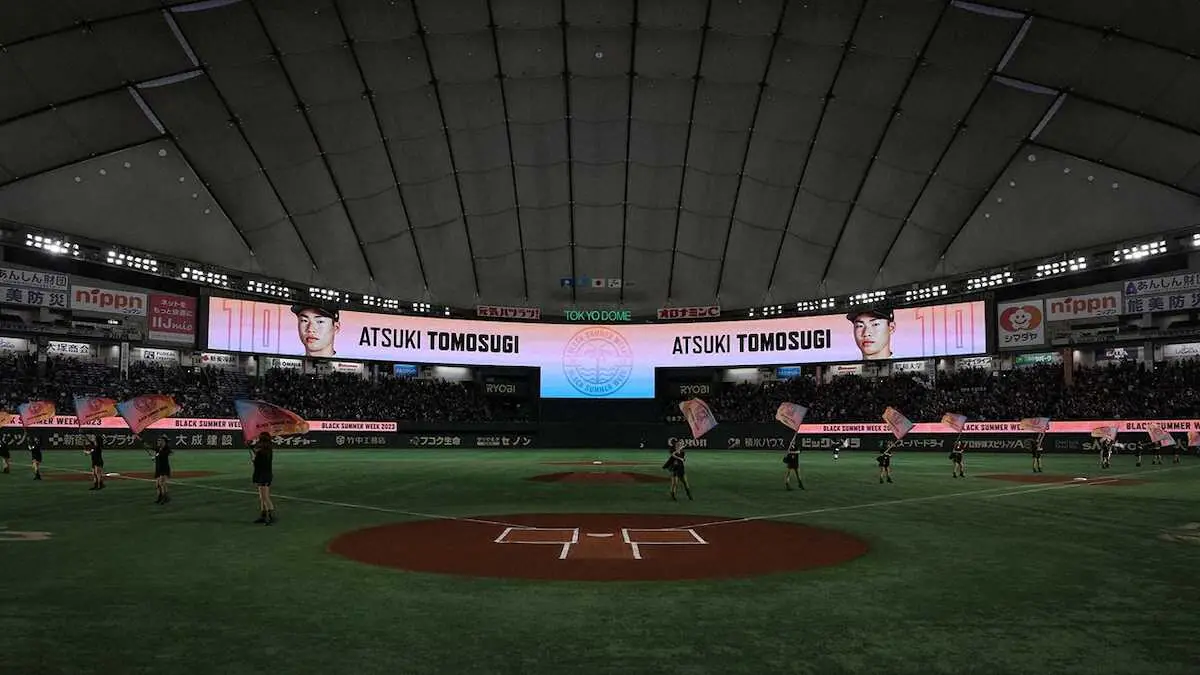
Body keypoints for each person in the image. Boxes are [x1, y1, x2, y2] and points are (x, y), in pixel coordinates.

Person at [250, 432, 276, 524]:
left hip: (263, 475)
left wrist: (254, 459)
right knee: (263, 497)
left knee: (265, 497)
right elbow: (257, 452)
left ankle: (271, 516)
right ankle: (263, 515)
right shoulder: (267, 449)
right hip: (265, 474)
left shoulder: (263, 450)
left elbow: (257, 461)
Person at [142, 435, 173, 504]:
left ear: (164, 442)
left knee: (162, 483)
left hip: (164, 468)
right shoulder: (158, 448)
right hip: (158, 468)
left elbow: (163, 455)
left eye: (160, 441)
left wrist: (155, 456)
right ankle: (160, 497)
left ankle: (165, 497)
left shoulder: (166, 449)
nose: (158, 442)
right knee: (157, 485)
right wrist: (143, 442)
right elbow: (150, 447)